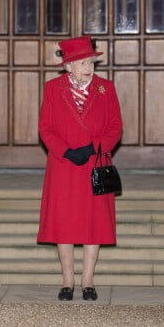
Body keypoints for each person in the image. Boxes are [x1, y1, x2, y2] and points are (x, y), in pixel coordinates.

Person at [37, 35, 122, 301]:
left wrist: (93, 148)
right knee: (64, 224)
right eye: (82, 62)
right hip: (64, 166)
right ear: (68, 66)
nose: (88, 67)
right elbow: (45, 128)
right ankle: (67, 281)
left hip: (95, 165)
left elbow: (115, 127)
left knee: (93, 224)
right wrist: (66, 151)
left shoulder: (105, 89)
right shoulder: (53, 88)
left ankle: (88, 280)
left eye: (90, 62)